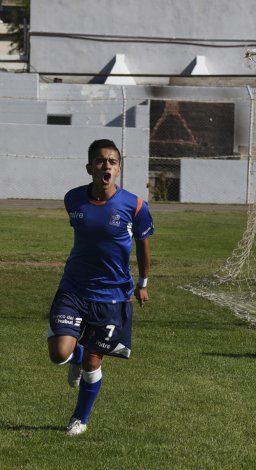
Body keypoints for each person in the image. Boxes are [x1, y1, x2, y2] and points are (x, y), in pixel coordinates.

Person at [47, 139, 154, 435]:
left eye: (112, 161)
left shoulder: (136, 206)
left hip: (113, 297)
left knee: (95, 360)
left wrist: (142, 283)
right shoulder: (73, 199)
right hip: (74, 289)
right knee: (58, 353)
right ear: (89, 167)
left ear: (119, 169)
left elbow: (143, 248)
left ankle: (79, 419)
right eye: (100, 161)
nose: (106, 165)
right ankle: (75, 357)